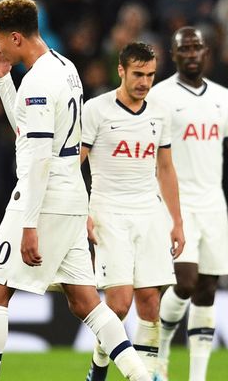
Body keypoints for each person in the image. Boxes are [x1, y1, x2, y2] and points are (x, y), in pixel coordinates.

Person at [0, 0, 149, 381]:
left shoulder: (37, 82)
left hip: (44, 196)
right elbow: (28, 127)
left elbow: (36, 156)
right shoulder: (64, 67)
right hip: (71, 195)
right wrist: (3, 80)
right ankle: (141, 375)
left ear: (16, 36)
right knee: (85, 302)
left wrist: (30, 224)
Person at [146, 26, 228, 381]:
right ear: (174, 54)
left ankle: (197, 376)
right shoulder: (160, 96)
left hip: (212, 202)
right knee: (184, 281)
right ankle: (162, 349)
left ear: (206, 53)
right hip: (173, 204)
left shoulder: (224, 97)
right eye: (185, 49)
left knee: (208, 288)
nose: (192, 54)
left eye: (197, 48)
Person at [80, 41, 185, 381]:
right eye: (138, 74)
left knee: (150, 302)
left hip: (149, 211)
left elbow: (166, 168)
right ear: (121, 70)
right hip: (109, 211)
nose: (144, 82)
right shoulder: (96, 110)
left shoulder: (159, 112)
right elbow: (72, 165)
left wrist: (177, 222)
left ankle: (150, 373)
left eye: (151, 75)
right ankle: (98, 368)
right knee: (119, 304)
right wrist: (82, 211)